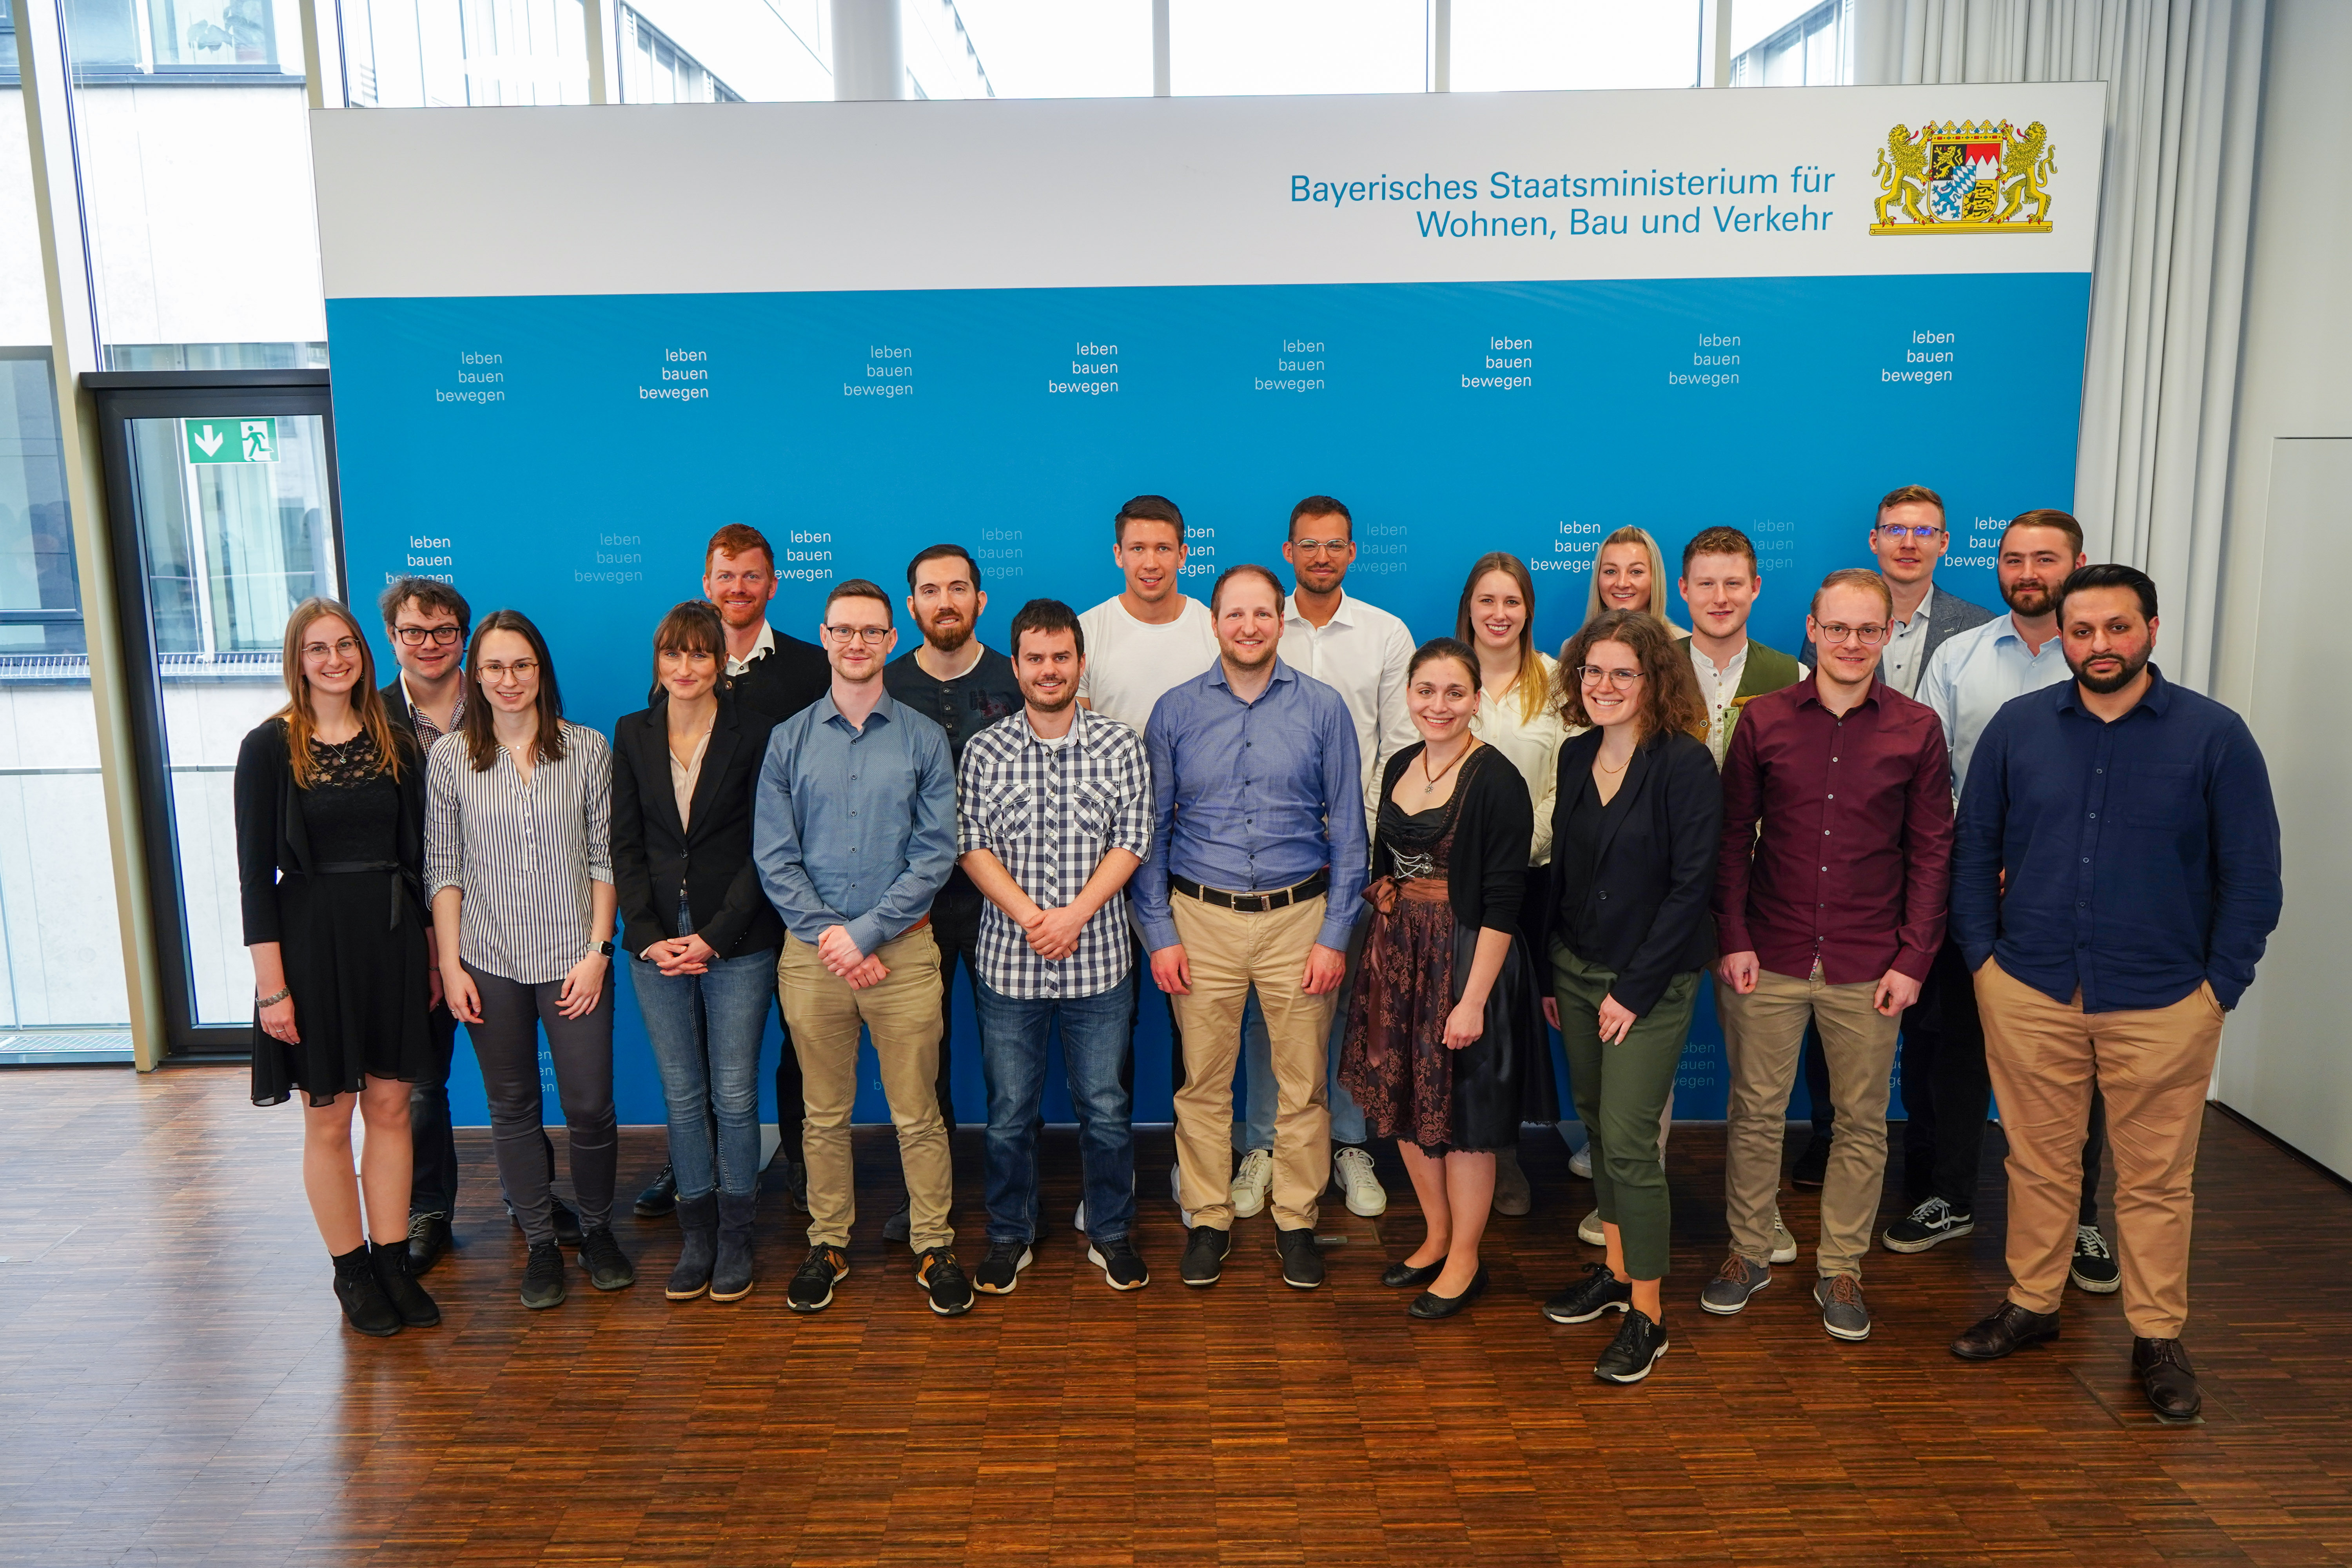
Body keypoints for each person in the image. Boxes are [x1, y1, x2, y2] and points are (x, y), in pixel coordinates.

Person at [1949, 565, 2281, 1420]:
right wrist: (1983, 961)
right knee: (2037, 1162)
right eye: (2083, 630)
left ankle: (2157, 1335)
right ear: (2062, 637)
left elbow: (2253, 877)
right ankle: (2033, 1304)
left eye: (2118, 628)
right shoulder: (2019, 728)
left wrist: (2219, 989)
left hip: (2165, 999)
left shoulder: (2215, 735)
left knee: (2156, 1181)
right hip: (2030, 988)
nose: (2100, 645)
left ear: (2152, 631)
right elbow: (1974, 847)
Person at [1701, 569, 1951, 1343]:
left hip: (1870, 961)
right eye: (1837, 628)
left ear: (1888, 635)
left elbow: (1932, 853)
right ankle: (1748, 1252)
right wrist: (1733, 936)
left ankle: (1842, 1266)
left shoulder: (1918, 728)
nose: (1851, 643)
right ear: (1811, 629)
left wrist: (1914, 958)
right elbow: (1730, 838)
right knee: (1755, 1115)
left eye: (1867, 630)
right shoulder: (1764, 719)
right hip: (1768, 953)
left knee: (1862, 1124)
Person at [1136, 564, 1366, 1292]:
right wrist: (1159, 932)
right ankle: (1209, 1218)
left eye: (1262, 614)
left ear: (1280, 621)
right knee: (1203, 1085)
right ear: (1214, 623)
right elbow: (1151, 833)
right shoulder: (1174, 712)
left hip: (1299, 920)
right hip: (1199, 920)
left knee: (1302, 1086)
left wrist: (1334, 934)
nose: (1248, 627)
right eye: (1234, 614)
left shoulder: (1324, 709)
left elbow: (1350, 835)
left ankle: (1296, 1221)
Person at [753, 578, 971, 1317]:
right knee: (822, 1115)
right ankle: (828, 1242)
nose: (856, 643)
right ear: (825, 636)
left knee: (919, 1114)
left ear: (890, 640)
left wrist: (866, 935)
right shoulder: (788, 740)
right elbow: (775, 857)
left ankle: (934, 1243)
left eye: (871, 631)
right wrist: (834, 938)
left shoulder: (922, 738)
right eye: (843, 630)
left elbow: (935, 854)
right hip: (812, 958)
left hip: (902, 954)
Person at [1884, 511, 2097, 1267]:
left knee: (2077, 1058)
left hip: (2073, 897)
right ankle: (1949, 1195)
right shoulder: (1959, 656)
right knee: (1953, 1048)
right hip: (1970, 887)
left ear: (2077, 565)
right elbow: (1929, 775)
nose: (2028, 573)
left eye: (2046, 559)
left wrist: (2035, 860)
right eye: (2014, 559)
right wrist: (1980, 857)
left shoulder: (2099, 660)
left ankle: (2082, 1219)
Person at [238, 598, 439, 1337]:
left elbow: (420, 859)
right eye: (318, 648)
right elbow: (255, 878)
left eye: (346, 645)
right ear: (297, 660)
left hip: (392, 940)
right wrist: (272, 989)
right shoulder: (268, 746)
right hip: (311, 948)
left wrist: (429, 955)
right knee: (330, 1120)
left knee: (391, 1109)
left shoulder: (396, 741)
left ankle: (393, 1262)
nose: (334, 660)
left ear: (364, 652)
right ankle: (351, 1271)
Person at [428, 608, 633, 1311]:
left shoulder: (588, 749)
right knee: (513, 1107)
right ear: (474, 674)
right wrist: (451, 964)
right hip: (487, 960)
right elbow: (443, 869)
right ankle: (542, 1242)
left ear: (541, 671)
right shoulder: (449, 758)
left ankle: (598, 1231)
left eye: (521, 665)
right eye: (494, 667)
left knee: (589, 1106)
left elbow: (606, 858)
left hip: (576, 959)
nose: (508, 679)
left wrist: (599, 951)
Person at [377, 575, 585, 1269]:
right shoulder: (371, 716)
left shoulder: (507, 700)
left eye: (444, 631)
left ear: (464, 641)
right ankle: (429, 1209)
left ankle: (532, 1199)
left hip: (500, 928)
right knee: (424, 1081)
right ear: (393, 640)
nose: (429, 644)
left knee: (516, 1084)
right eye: (414, 632)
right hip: (405, 925)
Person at [1790, 484, 1991, 1188]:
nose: (1909, 542)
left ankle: (1926, 1156)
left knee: (1930, 1018)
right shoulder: (1836, 618)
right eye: (1896, 529)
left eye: (1925, 531)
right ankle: (1826, 1135)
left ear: (1945, 543)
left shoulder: (1976, 630)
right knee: (1832, 1001)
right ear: (1875, 540)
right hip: (1845, 852)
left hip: (1935, 848)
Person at [1535, 611, 1718, 1383]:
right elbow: (1566, 874)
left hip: (1649, 983)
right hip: (1574, 972)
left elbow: (1691, 888)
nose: (1603, 685)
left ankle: (1650, 1313)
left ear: (1654, 681)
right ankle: (1615, 1271)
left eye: (1622, 673)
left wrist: (1634, 993)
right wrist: (1550, 974)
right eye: (1593, 671)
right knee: (1599, 1132)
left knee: (1631, 1141)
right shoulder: (1577, 753)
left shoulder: (1685, 763)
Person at [1223, 495, 1416, 1225]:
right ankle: (1263, 1145)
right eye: (1309, 545)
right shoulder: (1258, 625)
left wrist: (1356, 840)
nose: (1323, 556)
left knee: (1340, 1005)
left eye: (1336, 545)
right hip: (1269, 862)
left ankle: (1347, 1141)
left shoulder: (1385, 634)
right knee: (1264, 1014)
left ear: (1353, 552)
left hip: (1356, 855)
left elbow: (1399, 747)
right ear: (1289, 552)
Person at [957, 599, 1154, 1294]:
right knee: (1010, 1115)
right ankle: (1009, 1235)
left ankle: (1111, 1232)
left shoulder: (1121, 745)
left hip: (1099, 963)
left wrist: (1074, 916)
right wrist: (1033, 918)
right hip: (1008, 966)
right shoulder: (985, 750)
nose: (1049, 670)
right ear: (1016, 667)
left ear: (1080, 663)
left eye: (1061, 657)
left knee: (1106, 1110)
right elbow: (971, 845)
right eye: (1035, 659)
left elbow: (1133, 838)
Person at [1341, 637, 1541, 1320]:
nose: (1440, 705)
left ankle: (1465, 1259)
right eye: (1426, 691)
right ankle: (1435, 1237)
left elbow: (1505, 903)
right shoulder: (1401, 761)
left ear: (1477, 700)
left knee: (1462, 1118)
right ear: (1409, 696)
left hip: (1465, 959)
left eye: (1456, 693)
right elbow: (1385, 866)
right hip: (1399, 956)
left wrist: (1473, 1001)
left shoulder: (1498, 781)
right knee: (1403, 1100)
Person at [652, 522, 833, 1225]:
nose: (738, 588)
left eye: (751, 575)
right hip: (709, 899)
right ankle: (689, 1164)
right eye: (725, 576)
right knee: (695, 1048)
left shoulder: (810, 667)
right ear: (707, 583)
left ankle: (801, 1160)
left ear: (773, 584)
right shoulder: (678, 667)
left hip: (796, 891)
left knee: (799, 1038)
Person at [611, 601, 782, 1303]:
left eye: (700, 654)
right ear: (658, 661)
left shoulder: (756, 733)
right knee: (682, 1096)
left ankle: (737, 1235)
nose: (685, 667)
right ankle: (699, 1235)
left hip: (736, 937)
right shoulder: (632, 732)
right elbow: (623, 845)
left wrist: (715, 936)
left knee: (734, 1095)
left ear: (720, 663)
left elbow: (767, 848)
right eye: (673, 654)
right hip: (655, 940)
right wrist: (648, 935)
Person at [1073, 495, 1218, 1210]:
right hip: (1105, 863)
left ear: (1185, 553)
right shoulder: (1088, 631)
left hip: (1196, 861)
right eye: (1137, 548)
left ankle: (1198, 1171)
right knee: (1112, 1027)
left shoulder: (1212, 627)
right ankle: (1114, 1172)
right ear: (1118, 554)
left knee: (1197, 1025)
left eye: (1164, 548)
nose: (1151, 562)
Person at [878, 543, 1024, 1241]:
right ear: (911, 606)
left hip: (1006, 902)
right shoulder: (883, 684)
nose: (946, 602)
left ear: (980, 600)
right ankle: (925, 1199)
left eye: (959, 588)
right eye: (931, 591)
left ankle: (1015, 1201)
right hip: (913, 907)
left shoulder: (1017, 677)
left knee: (1011, 1066)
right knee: (920, 1066)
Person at [1675, 529, 1806, 1270]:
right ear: (1683, 591)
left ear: (1756, 588)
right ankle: (1624, 1197)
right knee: (1644, 1067)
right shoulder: (1652, 668)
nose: (1720, 598)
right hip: (1665, 895)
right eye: (1706, 583)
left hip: (1757, 900)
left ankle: (1759, 1213)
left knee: (1759, 1074)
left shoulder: (1792, 674)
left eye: (1734, 583)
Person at [1456, 552, 1566, 1216]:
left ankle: (1503, 1153)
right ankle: (1450, 1147)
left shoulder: (1555, 681)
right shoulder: (1444, 672)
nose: (1499, 614)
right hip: (1447, 883)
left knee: (1506, 1027)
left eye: (1512, 602)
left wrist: (1513, 852)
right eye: (1487, 600)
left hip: (1527, 881)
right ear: (1468, 607)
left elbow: (1566, 780)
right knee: (1452, 1017)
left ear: (1528, 610)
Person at [1581, 525, 1687, 636]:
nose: (1622, 583)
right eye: (1611, 572)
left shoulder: (1683, 644)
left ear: (1654, 579)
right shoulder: (1576, 645)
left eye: (1636, 572)